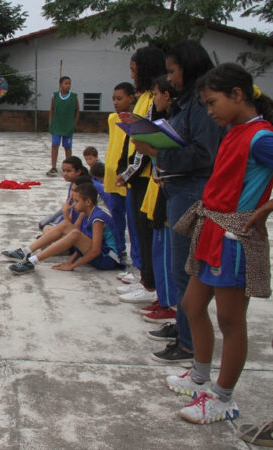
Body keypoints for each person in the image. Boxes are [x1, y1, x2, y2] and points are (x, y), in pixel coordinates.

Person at [163, 63, 273, 424]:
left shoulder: (261, 137)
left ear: (237, 95)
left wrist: (267, 206)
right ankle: (198, 377)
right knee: (193, 305)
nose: (209, 112)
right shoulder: (235, 131)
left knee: (230, 320)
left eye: (212, 103)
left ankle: (223, 399)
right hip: (211, 229)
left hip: (234, 238)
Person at [132, 41, 224, 364]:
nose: (169, 79)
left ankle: (188, 344)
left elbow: (202, 154)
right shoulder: (186, 104)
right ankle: (184, 329)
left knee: (185, 271)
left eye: (173, 71)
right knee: (179, 269)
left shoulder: (201, 107)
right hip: (177, 188)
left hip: (191, 193)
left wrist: (158, 153)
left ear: (190, 67)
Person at [115, 46, 167, 305]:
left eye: (135, 71)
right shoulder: (145, 96)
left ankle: (150, 284)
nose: (132, 76)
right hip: (139, 176)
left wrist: (128, 173)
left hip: (146, 176)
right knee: (139, 231)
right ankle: (145, 277)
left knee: (147, 233)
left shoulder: (153, 96)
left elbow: (144, 141)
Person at [132, 75, 179, 323]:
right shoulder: (168, 119)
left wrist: (149, 150)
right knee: (159, 246)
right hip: (158, 187)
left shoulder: (174, 123)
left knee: (168, 254)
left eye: (157, 93)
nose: (154, 97)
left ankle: (170, 303)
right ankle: (163, 299)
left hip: (168, 191)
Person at [8, 183, 122, 275]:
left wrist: (72, 266)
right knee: (65, 224)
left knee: (75, 233)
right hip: (101, 253)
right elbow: (85, 241)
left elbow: (95, 250)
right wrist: (70, 260)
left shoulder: (97, 219)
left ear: (88, 202)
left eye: (77, 201)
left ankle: (32, 262)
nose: (73, 205)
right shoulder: (89, 212)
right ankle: (25, 251)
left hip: (108, 259)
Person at [104, 82, 135, 263]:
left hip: (128, 174)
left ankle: (135, 255)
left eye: (119, 98)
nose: (116, 102)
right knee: (115, 213)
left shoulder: (136, 120)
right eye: (114, 99)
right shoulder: (111, 119)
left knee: (131, 216)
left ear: (131, 98)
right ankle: (119, 247)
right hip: (111, 174)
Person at [36, 156, 90, 231]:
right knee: (48, 225)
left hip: (74, 223)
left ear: (78, 172)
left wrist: (64, 212)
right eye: (63, 171)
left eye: (68, 171)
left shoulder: (82, 187)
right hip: (69, 218)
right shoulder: (73, 183)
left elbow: (73, 225)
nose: (65, 174)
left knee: (48, 228)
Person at [47, 76, 80, 176]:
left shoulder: (74, 97)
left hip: (68, 126)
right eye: (66, 83)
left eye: (69, 83)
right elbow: (51, 109)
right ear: (60, 85)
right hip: (57, 125)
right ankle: (53, 167)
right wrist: (50, 123)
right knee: (54, 145)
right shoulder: (55, 96)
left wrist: (74, 124)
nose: (68, 85)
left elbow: (77, 110)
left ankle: (68, 167)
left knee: (67, 147)